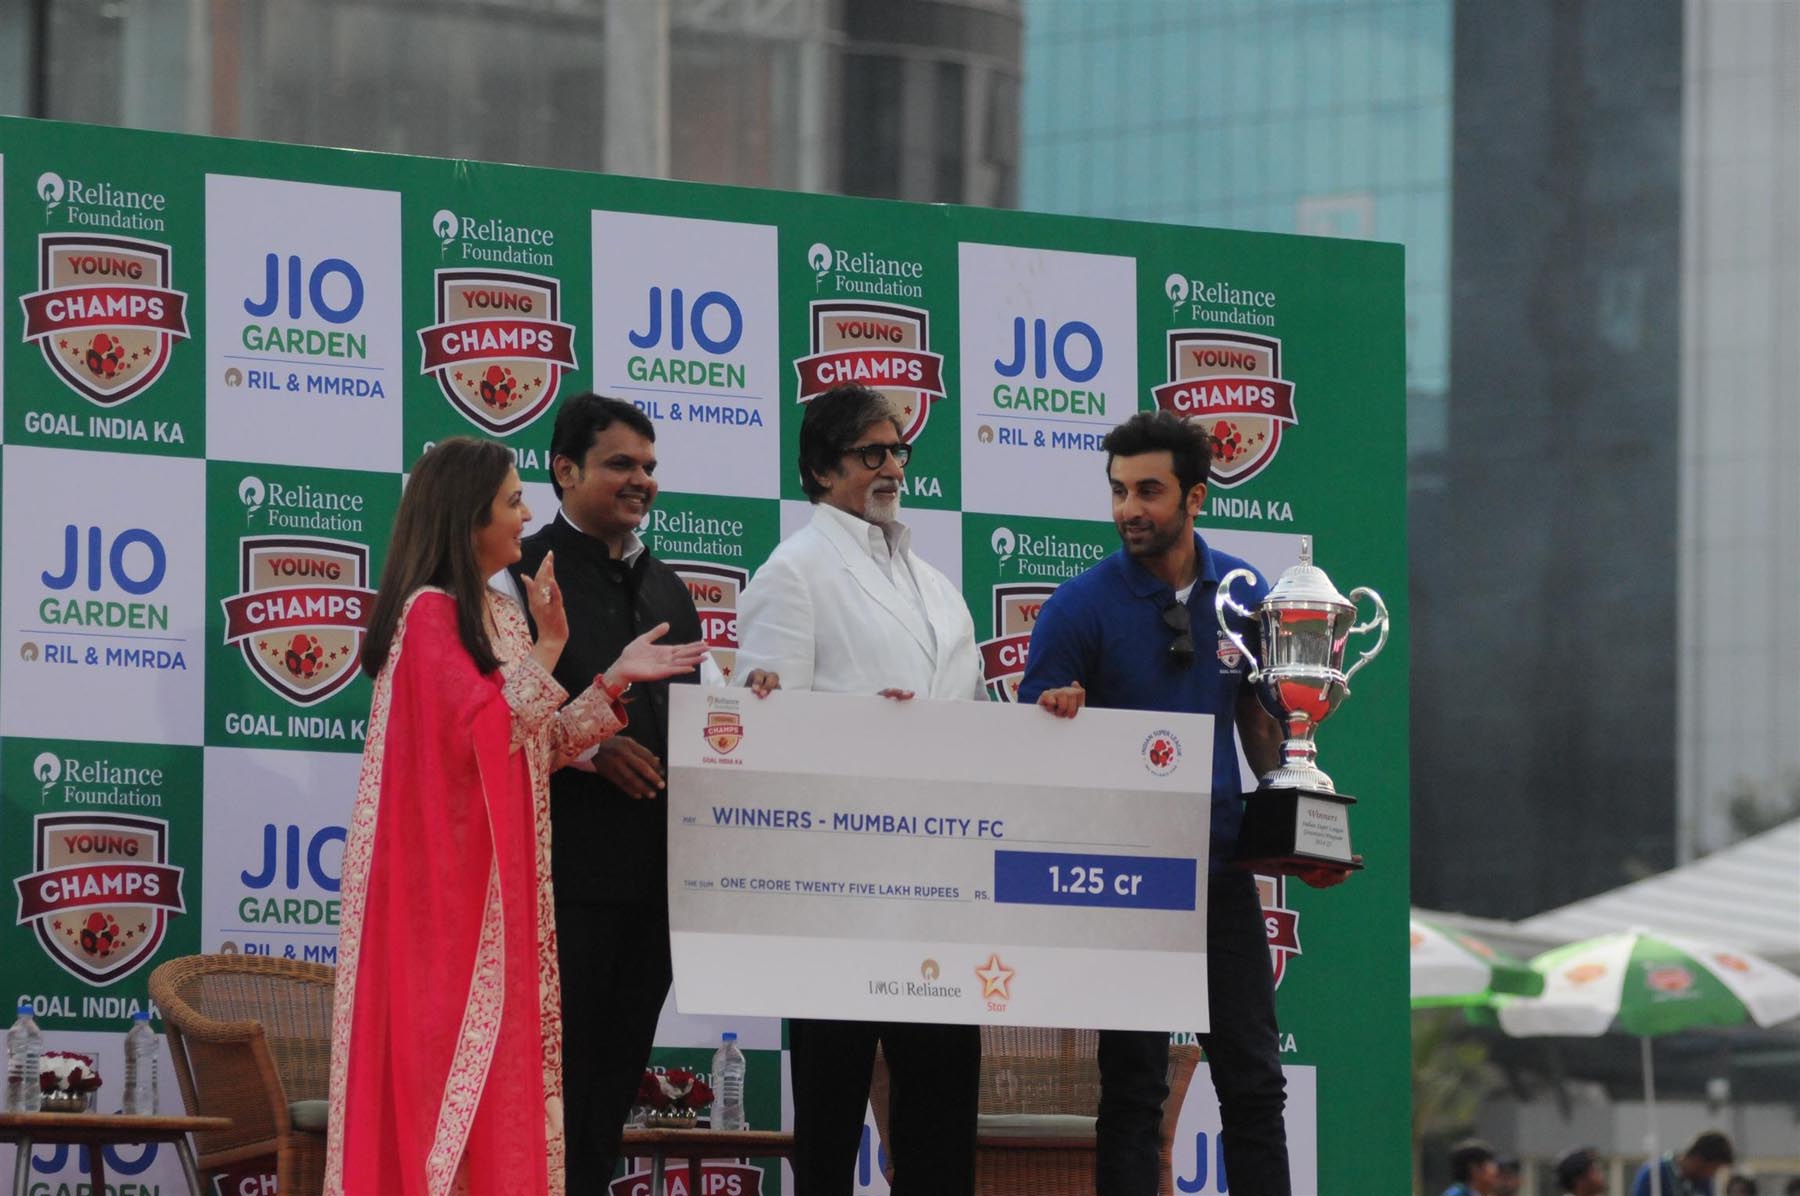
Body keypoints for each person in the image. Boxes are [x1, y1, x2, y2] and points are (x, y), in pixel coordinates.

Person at [325, 437, 707, 1196]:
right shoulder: (429, 614)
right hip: (453, 910)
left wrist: (605, 673)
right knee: (451, 1092)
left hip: (506, 902)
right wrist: (555, 649)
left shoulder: (500, 614)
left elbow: (539, 742)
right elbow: (487, 735)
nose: (527, 514)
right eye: (511, 502)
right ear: (468, 519)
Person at [1020, 410, 1352, 1196]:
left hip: (1220, 869)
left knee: (1254, 1082)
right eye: (1118, 491)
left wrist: (1303, 836)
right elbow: (1030, 740)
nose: (1129, 508)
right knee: (1133, 1089)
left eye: (1148, 491)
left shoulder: (1244, 596)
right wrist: (1059, 713)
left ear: (1195, 497)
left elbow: (1265, 723)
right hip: (1125, 877)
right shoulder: (1077, 606)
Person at [734, 384, 985, 1195]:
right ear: (820, 468)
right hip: (836, 893)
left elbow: (974, 725)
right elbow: (759, 738)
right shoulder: (793, 573)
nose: (891, 467)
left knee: (941, 1125)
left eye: (898, 449)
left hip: (942, 898)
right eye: (870, 453)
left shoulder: (938, 585)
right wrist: (861, 726)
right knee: (834, 1126)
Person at [503, 394, 713, 1194]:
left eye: (650, 467)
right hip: (559, 880)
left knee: (613, 1082)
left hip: (656, 883)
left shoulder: (669, 588)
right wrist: (589, 750)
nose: (641, 481)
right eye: (621, 464)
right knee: (553, 1081)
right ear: (564, 470)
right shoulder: (518, 579)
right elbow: (495, 719)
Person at [1631, 1131, 1735, 1196]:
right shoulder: (1653, 1175)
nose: (1713, 1174)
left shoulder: (1703, 1182)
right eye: (1714, 1168)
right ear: (1699, 1160)